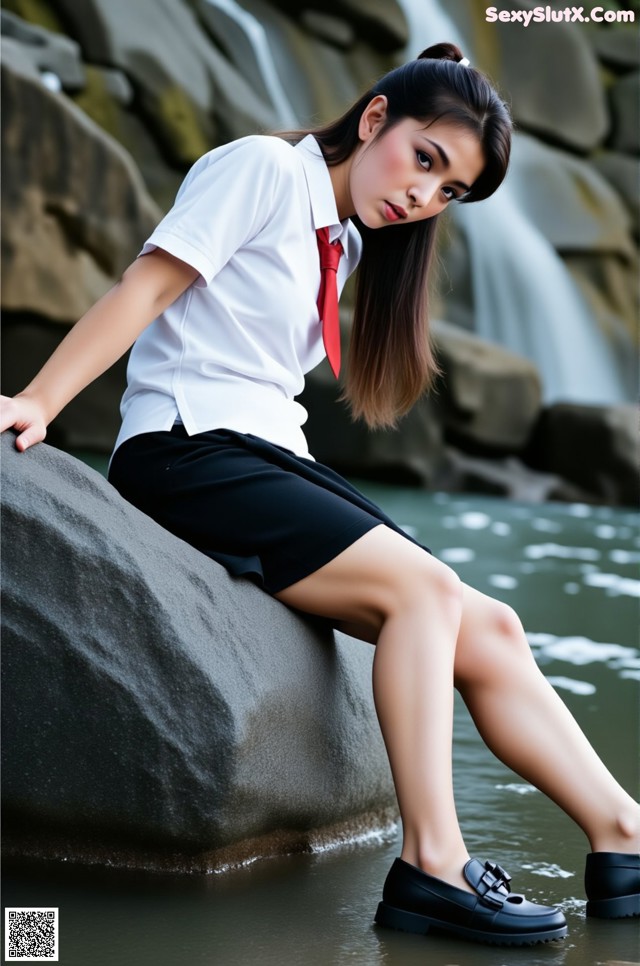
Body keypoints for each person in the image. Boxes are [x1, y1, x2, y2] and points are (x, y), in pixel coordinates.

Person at [2, 42, 638, 947]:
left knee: (488, 623)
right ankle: (434, 862)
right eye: (426, 160)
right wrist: (38, 402)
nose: (425, 198)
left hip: (260, 459)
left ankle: (625, 836)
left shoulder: (338, 235)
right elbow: (148, 287)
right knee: (422, 595)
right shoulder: (262, 169)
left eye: (449, 190)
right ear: (375, 118)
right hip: (189, 449)